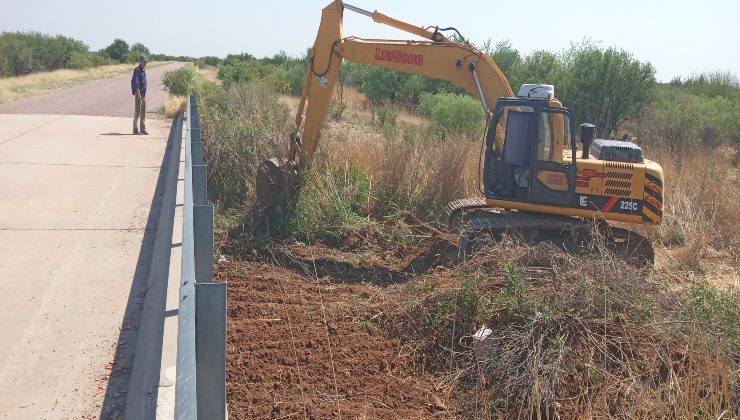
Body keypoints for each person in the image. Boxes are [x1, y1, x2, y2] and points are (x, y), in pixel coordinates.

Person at [131, 55, 148, 135]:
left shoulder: (143, 70)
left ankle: (143, 129)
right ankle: (135, 130)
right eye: (144, 61)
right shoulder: (137, 70)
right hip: (139, 94)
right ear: (140, 61)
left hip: (143, 95)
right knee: (137, 112)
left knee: (143, 112)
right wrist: (137, 93)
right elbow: (135, 82)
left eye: (146, 62)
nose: (145, 63)